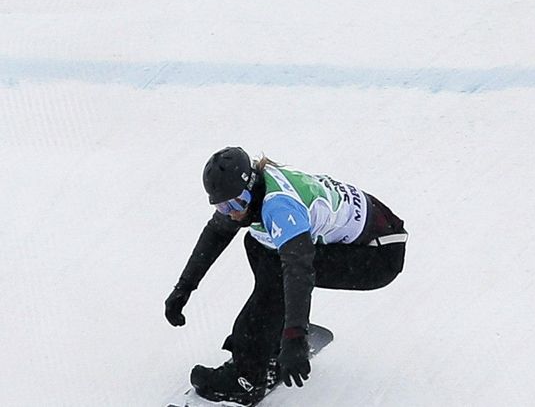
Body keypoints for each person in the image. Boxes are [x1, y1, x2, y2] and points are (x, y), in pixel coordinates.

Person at [164, 148, 407, 405]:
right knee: (258, 243)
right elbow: (217, 232)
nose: (231, 212)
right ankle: (268, 340)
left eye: (236, 204)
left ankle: (246, 378)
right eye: (222, 206)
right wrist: (184, 287)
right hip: (373, 232)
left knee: (276, 266)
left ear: (251, 186)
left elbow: (299, 272)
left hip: (379, 256)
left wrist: (295, 336)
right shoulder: (252, 190)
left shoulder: (279, 207)